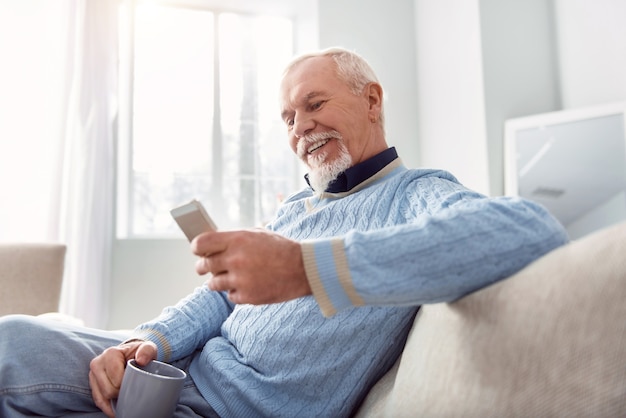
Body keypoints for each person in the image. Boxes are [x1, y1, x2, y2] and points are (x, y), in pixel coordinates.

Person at [0, 47, 569, 417]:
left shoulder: (415, 194)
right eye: (288, 119)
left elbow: (531, 230)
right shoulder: (297, 205)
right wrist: (148, 342)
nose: (301, 128)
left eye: (314, 104)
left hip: (222, 410)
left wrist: (304, 269)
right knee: (14, 337)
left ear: (371, 101)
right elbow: (218, 298)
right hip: (176, 371)